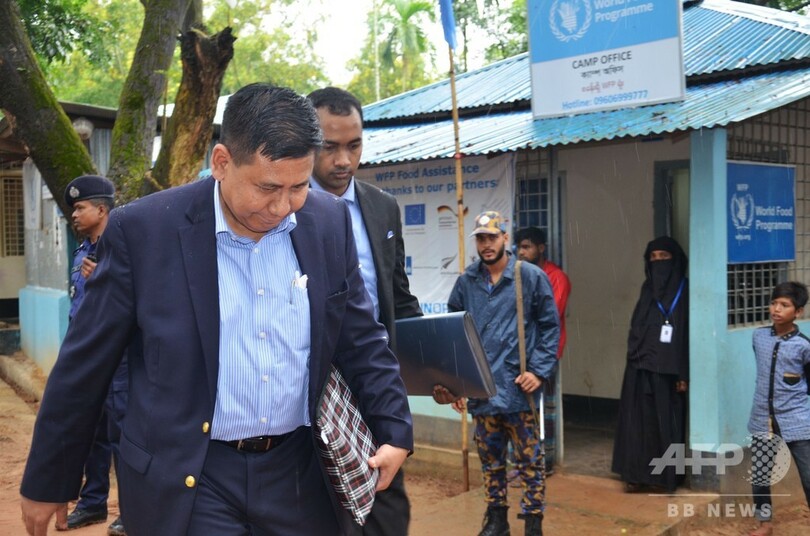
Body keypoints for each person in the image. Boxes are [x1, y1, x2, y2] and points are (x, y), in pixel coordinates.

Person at [20, 83, 413, 536]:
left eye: (299, 187)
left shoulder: (327, 221)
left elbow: (361, 338)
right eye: (268, 187)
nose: (283, 207)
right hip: (190, 475)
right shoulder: (144, 232)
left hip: (300, 474)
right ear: (222, 162)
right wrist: (50, 477)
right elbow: (86, 363)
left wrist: (394, 429)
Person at [307, 86, 422, 536]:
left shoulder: (382, 208)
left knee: (386, 509)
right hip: (311, 394)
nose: (343, 160)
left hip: (374, 387)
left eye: (354, 145)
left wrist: (440, 371)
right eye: (330, 147)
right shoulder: (283, 207)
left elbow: (399, 299)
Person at [436, 211, 559, 536]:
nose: (486, 244)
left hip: (520, 390)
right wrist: (457, 383)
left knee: (530, 461)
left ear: (506, 238)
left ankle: (533, 522)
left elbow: (550, 327)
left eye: (492, 237)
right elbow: (455, 333)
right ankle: (496, 520)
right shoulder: (467, 282)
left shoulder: (529, 277)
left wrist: (539, 371)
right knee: (490, 461)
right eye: (481, 238)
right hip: (482, 390)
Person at [59, 175, 127, 536]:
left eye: (81, 207)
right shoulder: (81, 250)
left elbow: (131, 303)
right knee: (92, 433)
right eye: (73, 209)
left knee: (121, 435)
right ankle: (92, 503)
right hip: (88, 358)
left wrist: (105, 276)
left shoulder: (122, 249)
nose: (74, 214)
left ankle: (131, 509)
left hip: (117, 357)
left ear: (102, 210)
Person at [612, 236, 689, 493]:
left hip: (668, 371)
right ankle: (636, 474)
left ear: (675, 260)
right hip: (640, 365)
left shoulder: (685, 290)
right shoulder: (647, 289)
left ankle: (665, 477)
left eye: (664, 257)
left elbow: (687, 334)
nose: (658, 262)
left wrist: (683, 373)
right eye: (653, 258)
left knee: (665, 423)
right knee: (638, 424)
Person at [747, 281, 810, 536]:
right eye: (774, 303)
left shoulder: (804, 346)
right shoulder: (758, 336)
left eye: (784, 305)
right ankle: (765, 524)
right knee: (760, 477)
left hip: (796, 421)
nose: (776, 309)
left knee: (808, 476)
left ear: (798, 312)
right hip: (762, 418)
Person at [515, 226, 571, 475]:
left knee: (545, 409)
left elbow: (550, 316)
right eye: (519, 247)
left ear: (541, 248)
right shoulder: (516, 276)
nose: (522, 252)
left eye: (527, 247)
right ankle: (521, 461)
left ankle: (544, 461)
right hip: (519, 352)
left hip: (546, 353)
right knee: (520, 408)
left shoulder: (556, 277)